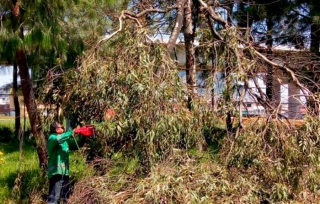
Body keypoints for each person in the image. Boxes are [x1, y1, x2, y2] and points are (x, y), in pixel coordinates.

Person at [47, 121, 93, 204]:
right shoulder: (53, 138)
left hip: (65, 173)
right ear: (57, 130)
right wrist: (74, 131)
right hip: (56, 173)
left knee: (65, 198)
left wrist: (83, 135)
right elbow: (60, 138)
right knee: (54, 199)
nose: (64, 129)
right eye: (62, 127)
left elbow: (77, 144)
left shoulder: (65, 141)